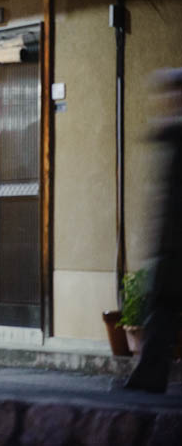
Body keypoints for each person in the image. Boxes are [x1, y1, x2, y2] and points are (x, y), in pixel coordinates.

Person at [124, 68, 182, 393]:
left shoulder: (174, 134)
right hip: (171, 243)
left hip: (174, 244)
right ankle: (149, 376)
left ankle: (149, 377)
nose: (166, 100)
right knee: (161, 308)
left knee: (162, 307)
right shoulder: (171, 132)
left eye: (172, 92)